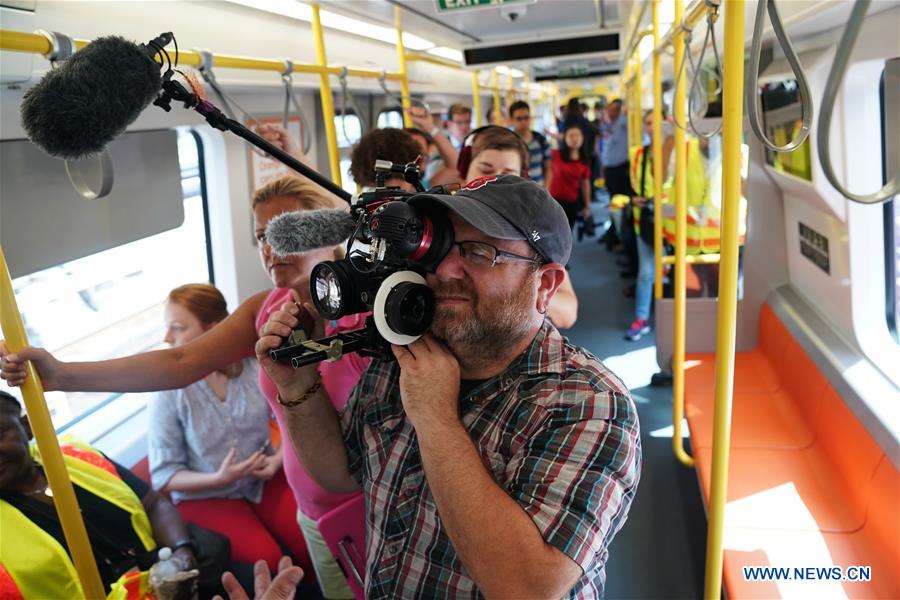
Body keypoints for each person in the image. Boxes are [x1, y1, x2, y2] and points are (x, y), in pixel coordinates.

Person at [256, 175, 642, 598]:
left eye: (478, 253)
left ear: (545, 285)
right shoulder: (406, 354)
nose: (444, 269)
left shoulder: (589, 403)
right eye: (440, 248)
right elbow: (340, 473)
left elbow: (527, 587)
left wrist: (436, 418)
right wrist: (298, 387)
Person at [1, 167, 366, 598]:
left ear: (327, 231)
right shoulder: (265, 310)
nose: (270, 248)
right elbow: (180, 361)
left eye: (285, 231)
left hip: (371, 498)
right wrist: (62, 374)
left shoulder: (370, 312)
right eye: (260, 236)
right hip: (315, 511)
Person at [148, 283, 311, 575]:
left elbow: (291, 418)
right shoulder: (168, 393)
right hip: (208, 492)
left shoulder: (253, 364)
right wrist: (219, 478)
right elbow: (164, 476)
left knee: (308, 537)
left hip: (263, 476)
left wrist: (277, 460)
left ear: (214, 330)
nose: (166, 337)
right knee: (267, 561)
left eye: (177, 328)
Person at [0, 391, 213, 599]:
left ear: (27, 427)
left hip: (176, 583)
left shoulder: (77, 455)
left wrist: (182, 552)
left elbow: (154, 504)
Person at [457, 126, 579, 329]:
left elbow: (568, 312)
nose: (493, 182)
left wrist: (516, 290)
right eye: (485, 170)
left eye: (508, 175)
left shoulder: (532, 227)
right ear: (464, 172)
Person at [549, 124, 593, 230]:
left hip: (572, 203)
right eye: (571, 135)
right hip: (553, 201)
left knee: (567, 234)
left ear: (582, 139)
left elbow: (585, 184)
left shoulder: (584, 160)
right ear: (565, 138)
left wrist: (587, 206)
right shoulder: (554, 154)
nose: (574, 138)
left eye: (578, 135)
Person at [508, 100, 553, 190]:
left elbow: (548, 169)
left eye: (526, 118)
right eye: (519, 118)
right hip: (516, 192)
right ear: (512, 120)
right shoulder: (507, 142)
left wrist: (546, 191)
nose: (523, 122)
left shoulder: (541, 140)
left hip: (539, 191)